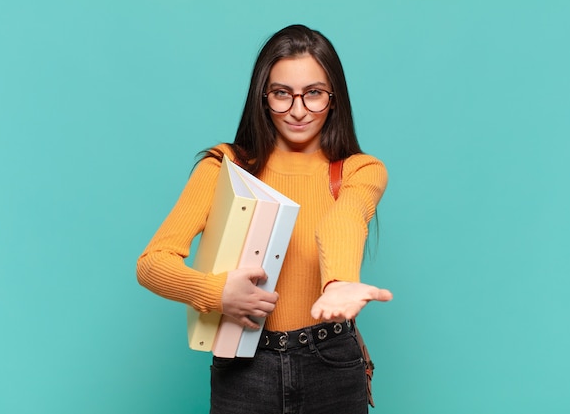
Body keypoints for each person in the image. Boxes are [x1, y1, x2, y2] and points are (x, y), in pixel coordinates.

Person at [137, 24, 393, 414]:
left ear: (334, 98)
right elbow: (152, 264)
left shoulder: (360, 170)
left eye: (313, 94)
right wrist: (217, 293)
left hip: (332, 363)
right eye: (281, 94)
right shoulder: (224, 166)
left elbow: (345, 219)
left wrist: (339, 281)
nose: (297, 110)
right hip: (244, 365)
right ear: (263, 97)